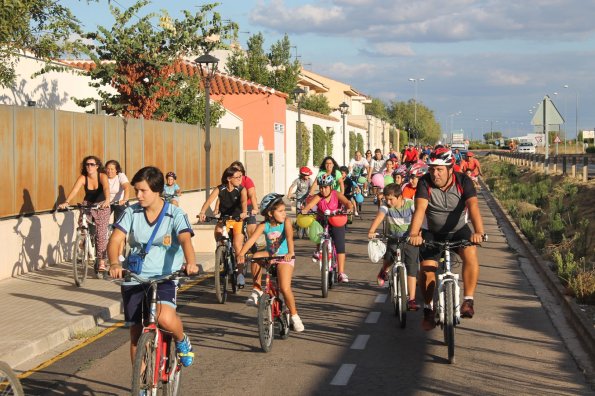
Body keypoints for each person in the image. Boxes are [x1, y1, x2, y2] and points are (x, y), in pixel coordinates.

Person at [107, 166, 198, 367]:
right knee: (136, 333)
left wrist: (190, 263)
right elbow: (114, 241)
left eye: (143, 191)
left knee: (164, 318)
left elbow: (185, 240)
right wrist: (114, 262)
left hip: (164, 276)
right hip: (135, 276)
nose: (138, 195)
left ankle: (182, 340)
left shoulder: (175, 214)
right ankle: (139, 384)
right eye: (136, 190)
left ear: (157, 190)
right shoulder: (132, 212)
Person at [407, 147, 486, 331]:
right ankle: (428, 309)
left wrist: (479, 232)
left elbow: (473, 207)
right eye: (432, 168)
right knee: (427, 269)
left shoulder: (463, 181)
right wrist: (413, 234)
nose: (435, 173)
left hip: (458, 230)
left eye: (440, 169)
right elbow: (419, 210)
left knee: (471, 253)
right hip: (432, 232)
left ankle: (468, 300)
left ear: (451, 169)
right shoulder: (424, 183)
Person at [236, 193, 305, 332]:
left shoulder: (286, 222)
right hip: (271, 255)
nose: (284, 213)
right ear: (270, 213)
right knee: (255, 256)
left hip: (285, 257)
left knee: (285, 288)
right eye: (280, 211)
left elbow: (290, 238)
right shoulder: (264, 225)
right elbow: (251, 240)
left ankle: (294, 316)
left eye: (284, 210)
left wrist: (290, 253)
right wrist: (241, 253)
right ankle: (256, 289)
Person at [367, 183, 419, 311]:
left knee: (412, 267)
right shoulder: (385, 206)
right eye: (386, 199)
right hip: (393, 237)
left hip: (409, 239)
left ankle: (411, 299)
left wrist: (418, 233)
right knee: (389, 258)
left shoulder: (410, 204)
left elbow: (419, 216)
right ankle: (384, 271)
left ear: (400, 197)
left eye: (391, 199)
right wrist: (372, 230)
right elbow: (380, 216)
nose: (388, 202)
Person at [58, 155, 111, 271]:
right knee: (82, 224)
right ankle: (84, 241)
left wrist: (107, 200)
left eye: (92, 164)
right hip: (88, 204)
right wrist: (66, 202)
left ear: (97, 166)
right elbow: (75, 190)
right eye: (87, 164)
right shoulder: (83, 178)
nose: (89, 167)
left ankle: (101, 261)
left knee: (101, 233)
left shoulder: (102, 176)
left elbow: (106, 188)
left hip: (102, 204)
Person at [199, 166, 248, 286]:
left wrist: (244, 212)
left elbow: (243, 202)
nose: (240, 179)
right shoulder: (220, 189)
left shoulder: (241, 189)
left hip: (237, 220)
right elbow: (209, 201)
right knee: (218, 232)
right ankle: (222, 251)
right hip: (224, 219)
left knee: (237, 246)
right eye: (237, 177)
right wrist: (202, 212)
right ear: (229, 178)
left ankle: (240, 274)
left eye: (240, 176)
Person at [302, 174, 353, 283]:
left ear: (331, 187)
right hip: (322, 221)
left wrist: (349, 209)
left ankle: (341, 273)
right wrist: (304, 210)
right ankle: (317, 249)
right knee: (316, 230)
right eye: (321, 187)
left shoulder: (336, 194)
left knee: (340, 244)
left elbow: (348, 203)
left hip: (336, 220)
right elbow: (310, 205)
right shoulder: (318, 196)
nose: (323, 190)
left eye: (325, 187)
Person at [230, 161, 259, 238]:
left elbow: (252, 195)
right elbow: (222, 195)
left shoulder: (246, 180)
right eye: (234, 170)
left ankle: (251, 244)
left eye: (238, 170)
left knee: (251, 223)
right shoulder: (229, 181)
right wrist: (217, 208)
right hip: (234, 207)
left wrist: (255, 208)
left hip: (248, 205)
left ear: (242, 172)